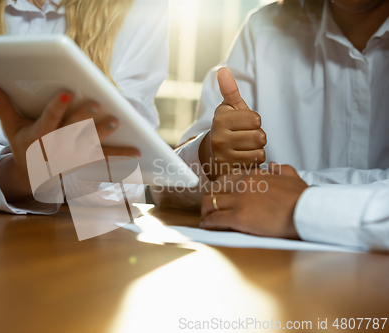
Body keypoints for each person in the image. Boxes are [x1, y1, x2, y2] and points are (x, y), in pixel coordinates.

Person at [0, 0, 168, 214]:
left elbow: (124, 173)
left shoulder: (141, 9)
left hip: (96, 241)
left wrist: (12, 160)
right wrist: (23, 169)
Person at [155, 0, 389, 250]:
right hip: (269, 271)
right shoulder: (263, 29)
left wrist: (299, 205)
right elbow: (164, 184)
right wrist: (209, 158)